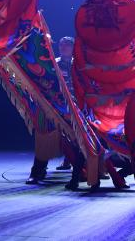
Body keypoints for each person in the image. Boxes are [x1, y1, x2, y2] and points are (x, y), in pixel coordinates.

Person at [54, 36, 75, 171]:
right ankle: (68, 159)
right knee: (63, 133)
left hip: (77, 103)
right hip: (60, 103)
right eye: (61, 44)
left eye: (67, 45)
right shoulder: (54, 63)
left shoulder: (78, 64)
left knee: (77, 132)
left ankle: (74, 161)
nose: (63, 47)